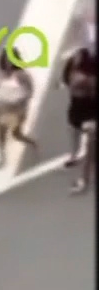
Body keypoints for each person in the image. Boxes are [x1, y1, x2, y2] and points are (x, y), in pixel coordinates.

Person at [0, 50, 39, 170]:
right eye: (6, 60)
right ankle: (2, 159)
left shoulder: (21, 75)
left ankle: (32, 142)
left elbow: (30, 91)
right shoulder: (2, 74)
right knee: (0, 135)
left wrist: (21, 103)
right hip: (2, 107)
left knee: (16, 134)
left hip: (16, 109)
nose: (8, 63)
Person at [61, 43, 97, 194]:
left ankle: (85, 179)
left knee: (91, 146)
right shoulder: (72, 71)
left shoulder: (88, 78)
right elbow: (67, 82)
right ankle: (75, 155)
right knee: (75, 131)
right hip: (77, 109)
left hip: (89, 111)